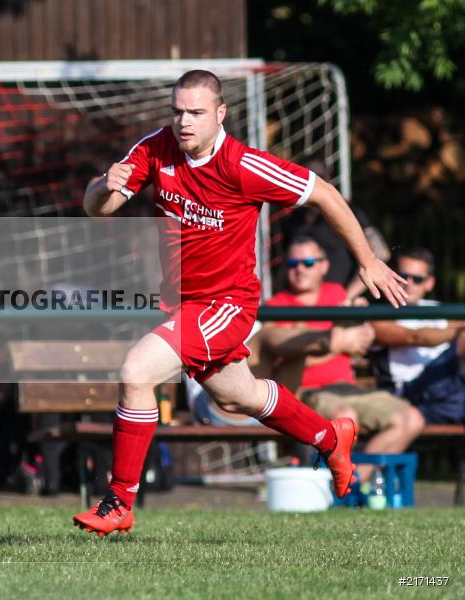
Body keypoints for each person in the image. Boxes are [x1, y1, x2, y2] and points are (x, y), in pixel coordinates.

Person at [73, 70, 408, 536]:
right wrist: (102, 185)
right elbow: (98, 208)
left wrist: (367, 260)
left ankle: (119, 502)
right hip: (182, 305)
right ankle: (332, 438)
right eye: (177, 112)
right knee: (238, 395)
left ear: (220, 113)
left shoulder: (244, 165)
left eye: (196, 113)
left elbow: (325, 193)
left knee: (136, 371)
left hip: (226, 305)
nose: (184, 122)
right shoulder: (156, 147)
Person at [265, 237, 425, 483]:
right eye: (293, 263)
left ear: (324, 266)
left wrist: (361, 326)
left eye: (308, 262)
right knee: (346, 416)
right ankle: (341, 487)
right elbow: (279, 366)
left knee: (411, 419)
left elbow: (361, 341)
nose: (300, 269)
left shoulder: (337, 294)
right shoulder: (275, 307)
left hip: (346, 388)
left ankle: (355, 482)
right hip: (305, 391)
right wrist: (339, 345)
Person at [371, 248, 465, 424]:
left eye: (418, 279)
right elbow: (414, 338)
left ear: (429, 283)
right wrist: (458, 330)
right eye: (403, 276)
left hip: (447, 389)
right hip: (409, 394)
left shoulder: (438, 308)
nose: (409, 283)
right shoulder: (382, 314)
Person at [278, 158, 391, 302]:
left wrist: (347, 297)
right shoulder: (294, 219)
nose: (313, 183)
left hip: (338, 301)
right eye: (306, 177)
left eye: (319, 177)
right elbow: (286, 264)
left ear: (329, 178)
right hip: (300, 302)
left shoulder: (346, 211)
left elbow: (381, 253)